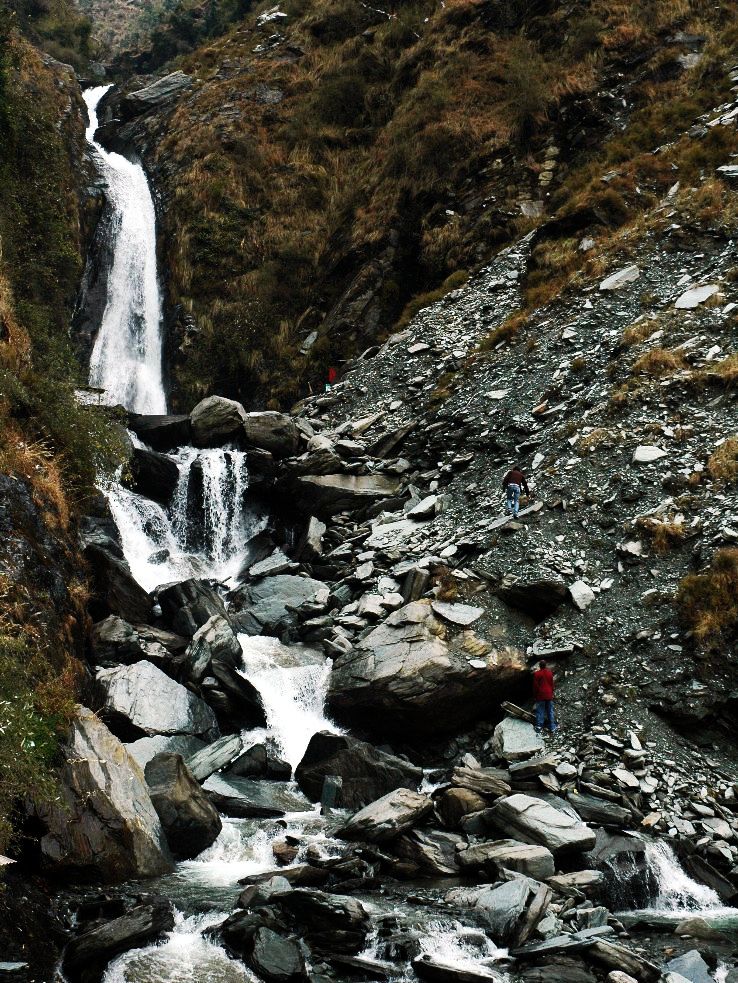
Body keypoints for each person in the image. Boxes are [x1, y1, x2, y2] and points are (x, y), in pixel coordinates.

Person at [533, 659, 558, 735]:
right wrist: (552, 693)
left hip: (541, 695)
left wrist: (535, 695)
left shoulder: (537, 674)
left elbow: (535, 686)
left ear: (540, 666)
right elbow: (552, 684)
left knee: (540, 711)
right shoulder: (549, 673)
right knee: (550, 711)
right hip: (549, 695)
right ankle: (552, 727)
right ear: (546, 665)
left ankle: (539, 726)